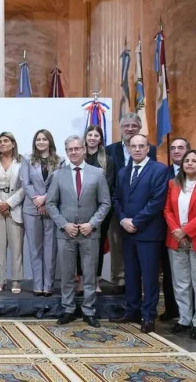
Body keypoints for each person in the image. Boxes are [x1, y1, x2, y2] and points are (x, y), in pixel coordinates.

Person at [46, 135, 110, 328]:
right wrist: (64, 224)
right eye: (70, 150)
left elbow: (105, 203)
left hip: (90, 232)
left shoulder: (97, 173)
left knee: (89, 274)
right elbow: (50, 203)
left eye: (77, 148)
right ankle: (68, 309)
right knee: (66, 274)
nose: (74, 152)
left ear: (83, 149)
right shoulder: (58, 175)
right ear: (66, 152)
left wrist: (93, 223)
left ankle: (89, 311)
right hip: (66, 233)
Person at [109, 134, 169, 333]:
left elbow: (157, 201)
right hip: (127, 232)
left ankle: (148, 315)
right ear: (128, 149)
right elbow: (116, 198)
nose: (136, 149)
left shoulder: (159, 170)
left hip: (148, 233)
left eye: (141, 146)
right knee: (132, 275)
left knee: (150, 277)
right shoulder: (124, 172)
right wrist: (124, 219)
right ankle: (132, 310)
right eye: (133, 146)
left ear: (148, 149)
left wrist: (136, 221)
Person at [163, 150, 196, 339]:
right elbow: (167, 210)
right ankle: (184, 319)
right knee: (181, 283)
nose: (190, 164)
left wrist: (186, 231)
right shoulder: (173, 184)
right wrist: (177, 231)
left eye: (194, 161)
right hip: (176, 240)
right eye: (187, 161)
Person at [105, 113, 157, 295]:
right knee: (117, 243)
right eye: (126, 126)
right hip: (116, 207)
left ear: (139, 127)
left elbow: (153, 180)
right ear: (120, 128)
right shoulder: (109, 150)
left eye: (133, 126)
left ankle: (137, 282)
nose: (129, 129)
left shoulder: (152, 150)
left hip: (142, 209)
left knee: (140, 247)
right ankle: (119, 279)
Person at [20, 129, 63, 297]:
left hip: (52, 208)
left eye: (44, 139)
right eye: (38, 139)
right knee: (35, 249)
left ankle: (48, 286)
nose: (41, 142)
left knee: (50, 249)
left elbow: (59, 184)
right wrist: (37, 200)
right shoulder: (28, 160)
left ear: (50, 141)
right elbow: (26, 183)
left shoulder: (60, 161)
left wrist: (46, 199)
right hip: (31, 208)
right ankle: (38, 285)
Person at [157, 137, 192, 321]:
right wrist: (175, 229)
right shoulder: (164, 172)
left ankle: (191, 313)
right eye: (173, 148)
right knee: (171, 274)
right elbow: (163, 203)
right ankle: (172, 309)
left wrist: (188, 229)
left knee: (192, 276)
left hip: (194, 233)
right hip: (169, 232)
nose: (176, 151)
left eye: (180, 147)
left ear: (188, 150)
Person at [0, 132, 25, 294]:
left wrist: (9, 203)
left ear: (13, 144)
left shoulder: (22, 163)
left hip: (15, 208)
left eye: (6, 141)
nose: (2, 144)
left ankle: (16, 281)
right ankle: (1, 280)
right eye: (0, 142)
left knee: (16, 248)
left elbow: (26, 187)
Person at [82, 125, 115, 294]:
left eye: (96, 135)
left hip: (101, 211)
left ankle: (96, 281)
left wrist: (96, 207)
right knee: (80, 246)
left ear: (100, 139)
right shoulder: (80, 157)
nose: (93, 138)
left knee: (98, 246)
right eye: (90, 135)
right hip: (81, 208)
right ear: (85, 137)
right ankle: (81, 281)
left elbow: (107, 185)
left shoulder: (107, 160)